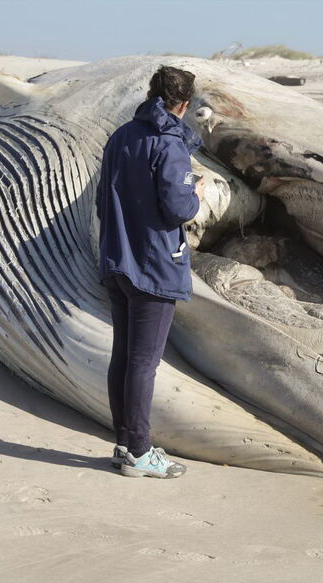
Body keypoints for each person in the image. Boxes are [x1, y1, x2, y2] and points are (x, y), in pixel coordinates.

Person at [95, 65, 205, 479]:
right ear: (185, 105)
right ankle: (139, 452)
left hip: (117, 260)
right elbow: (178, 209)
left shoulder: (121, 137)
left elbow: (103, 203)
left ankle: (125, 446)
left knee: (124, 357)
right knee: (143, 363)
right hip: (155, 265)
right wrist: (195, 194)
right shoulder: (170, 145)